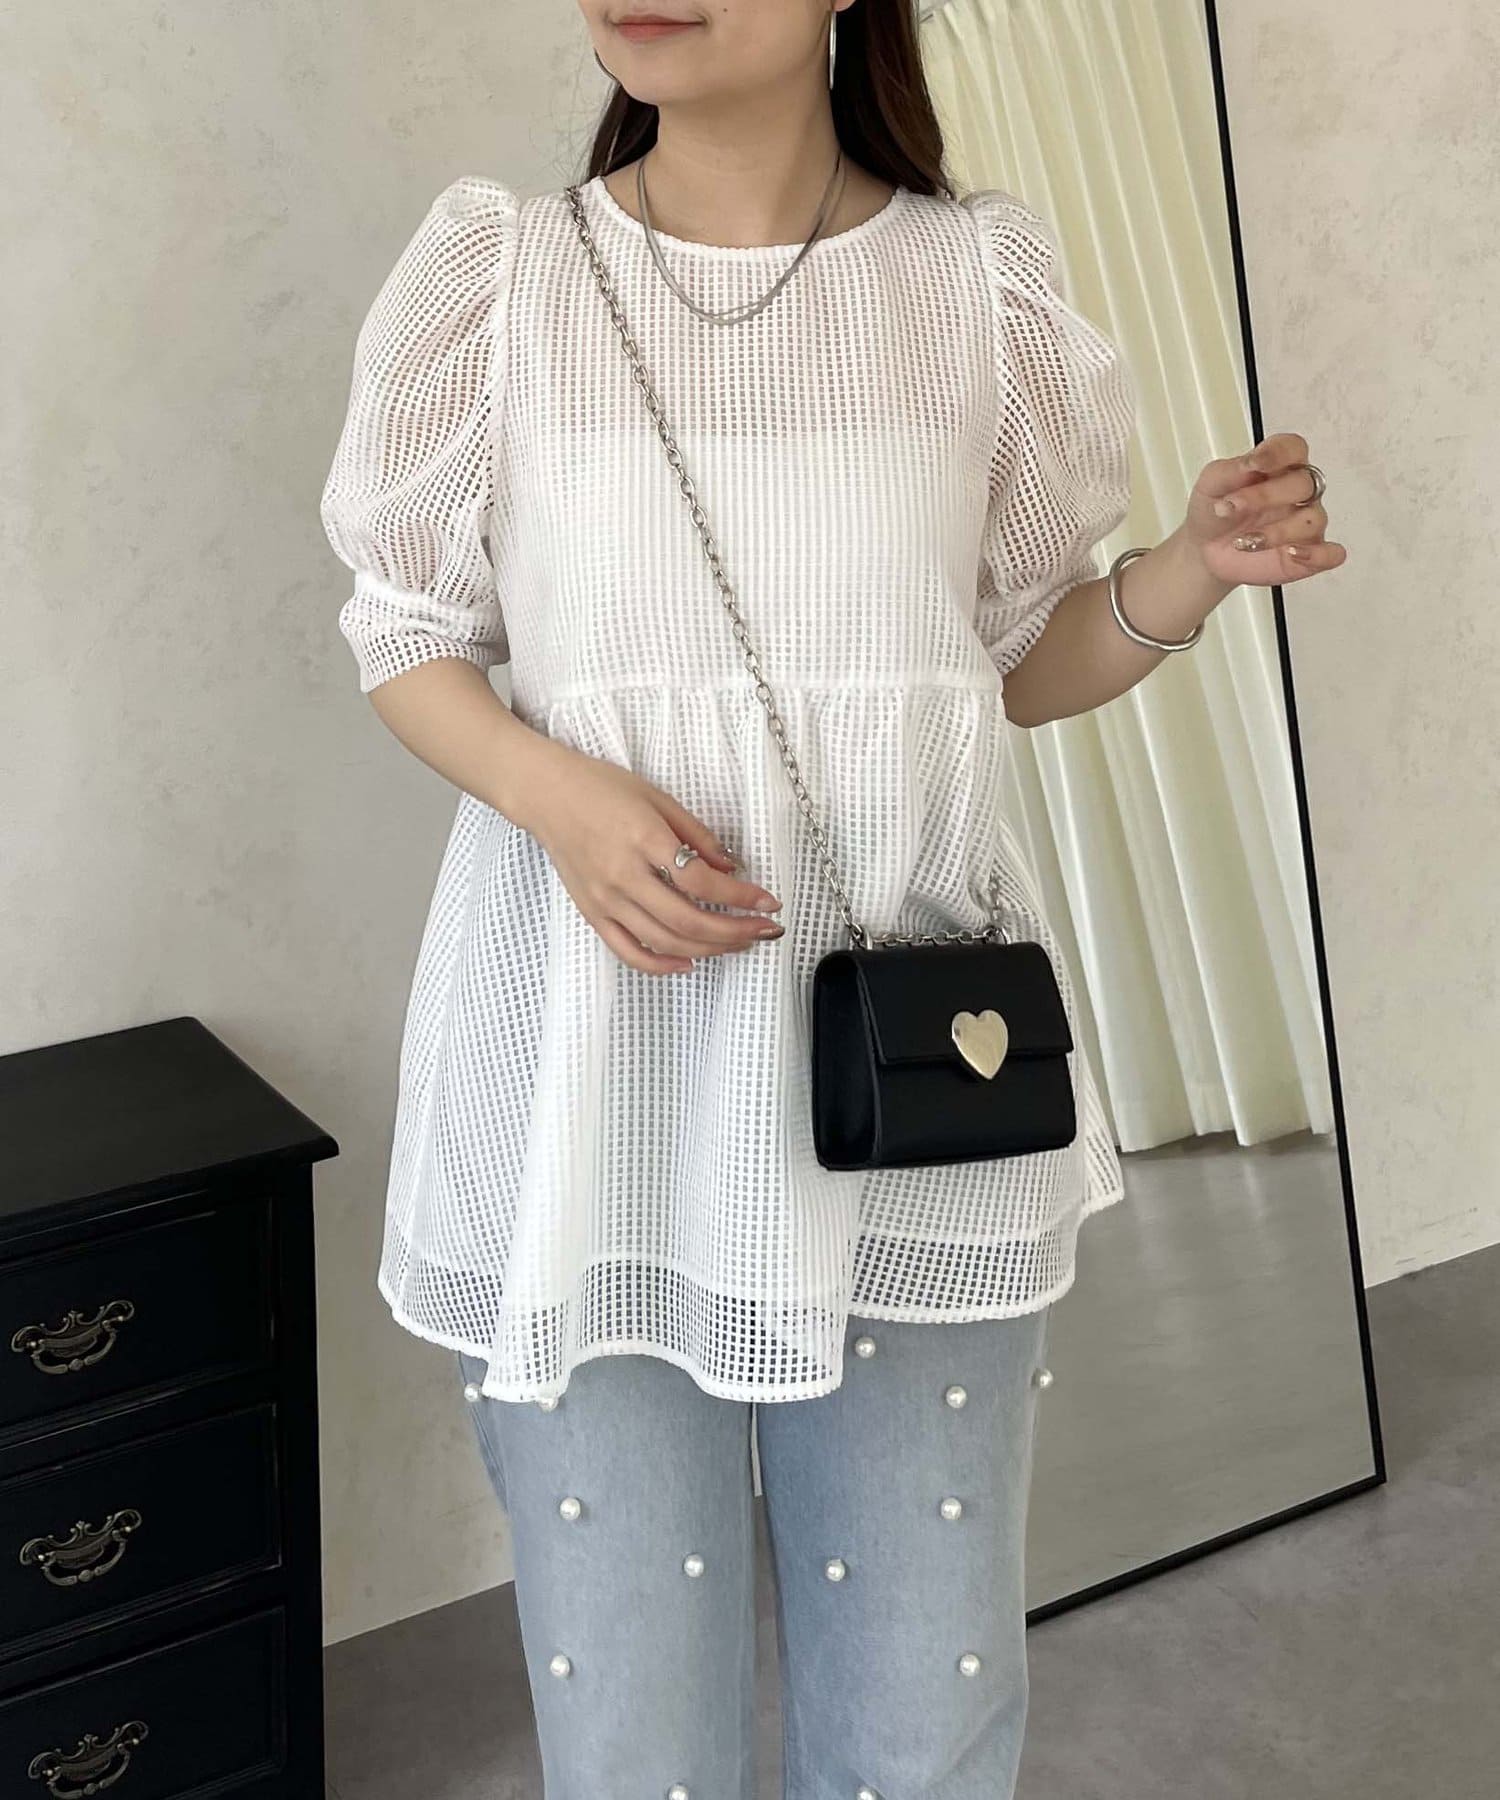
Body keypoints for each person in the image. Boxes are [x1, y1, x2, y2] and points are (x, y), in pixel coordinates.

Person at [318, 4, 1343, 1793]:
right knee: (634, 1744)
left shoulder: (977, 284)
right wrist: (560, 799)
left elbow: (1005, 663)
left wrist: (1182, 572)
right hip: (594, 1094)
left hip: (913, 1090)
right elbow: (405, 633)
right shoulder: (503, 277)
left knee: (927, 1731)